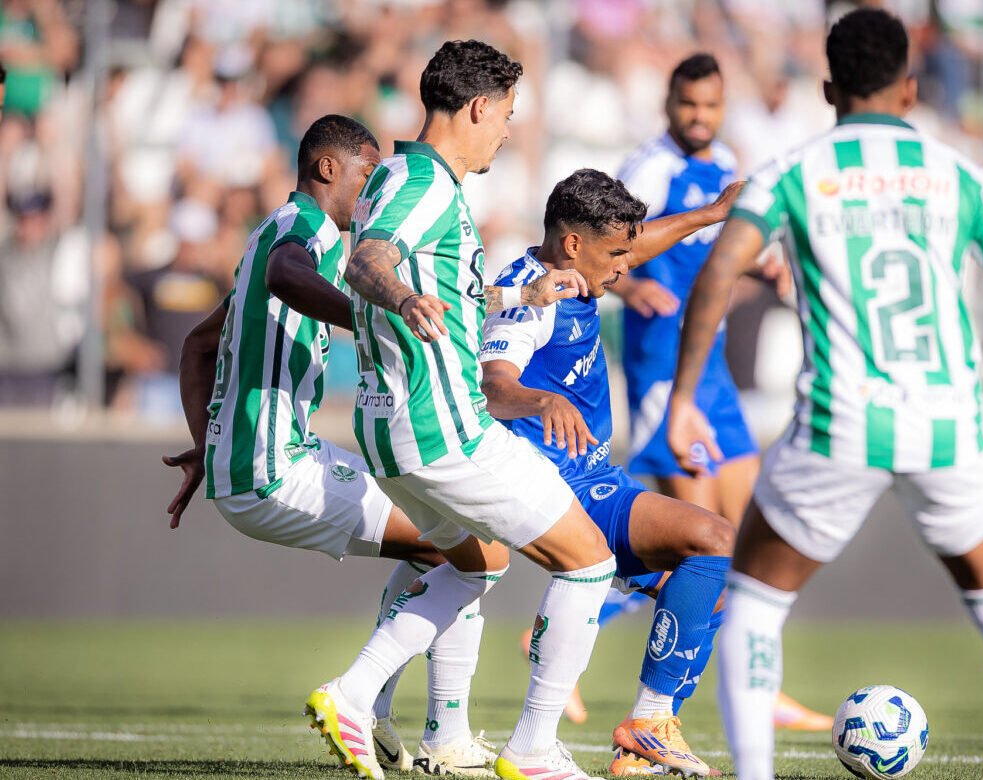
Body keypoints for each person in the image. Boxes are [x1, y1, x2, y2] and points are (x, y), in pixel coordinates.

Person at [666, 9, 983, 780]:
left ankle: (756, 774)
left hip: (843, 424)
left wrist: (683, 397)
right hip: (951, 429)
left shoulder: (795, 170)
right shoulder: (957, 172)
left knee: (756, 605)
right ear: (908, 88)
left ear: (830, 87)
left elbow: (719, 269)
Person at [162, 114, 516, 777]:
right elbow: (287, 275)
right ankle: (408, 720)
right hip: (277, 469)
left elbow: (198, 345)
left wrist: (207, 445)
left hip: (261, 462)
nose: (377, 188)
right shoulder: (304, 232)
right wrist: (367, 315)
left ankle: (385, 713)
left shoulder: (266, 236)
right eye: (367, 173)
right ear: (328, 169)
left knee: (448, 535)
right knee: (476, 550)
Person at [307, 41, 616, 780]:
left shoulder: (395, 176)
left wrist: (521, 297)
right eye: (506, 115)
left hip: (388, 428)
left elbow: (446, 289)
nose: (506, 131)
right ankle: (533, 750)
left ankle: (353, 696)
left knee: (477, 563)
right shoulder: (428, 184)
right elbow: (367, 262)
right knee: (588, 563)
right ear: (478, 107)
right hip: (442, 425)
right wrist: (403, 296)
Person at [481, 169, 742, 777]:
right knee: (716, 541)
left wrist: (711, 213)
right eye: (617, 253)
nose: (627, 265)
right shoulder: (533, 296)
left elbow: (637, 243)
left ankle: (640, 750)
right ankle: (648, 721)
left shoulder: (578, 271)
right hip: (567, 488)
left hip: (598, 476)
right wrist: (541, 401)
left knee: (715, 586)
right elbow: (495, 386)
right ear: (574, 244)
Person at [611, 51, 829, 734]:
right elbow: (596, 249)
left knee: (753, 541)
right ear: (669, 104)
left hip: (714, 376)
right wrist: (629, 282)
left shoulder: (728, 157)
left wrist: (766, 270)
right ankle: (627, 673)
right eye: (688, 105)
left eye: (709, 105)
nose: (698, 117)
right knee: (699, 545)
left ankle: (762, 686)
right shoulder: (648, 169)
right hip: (663, 375)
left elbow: (719, 255)